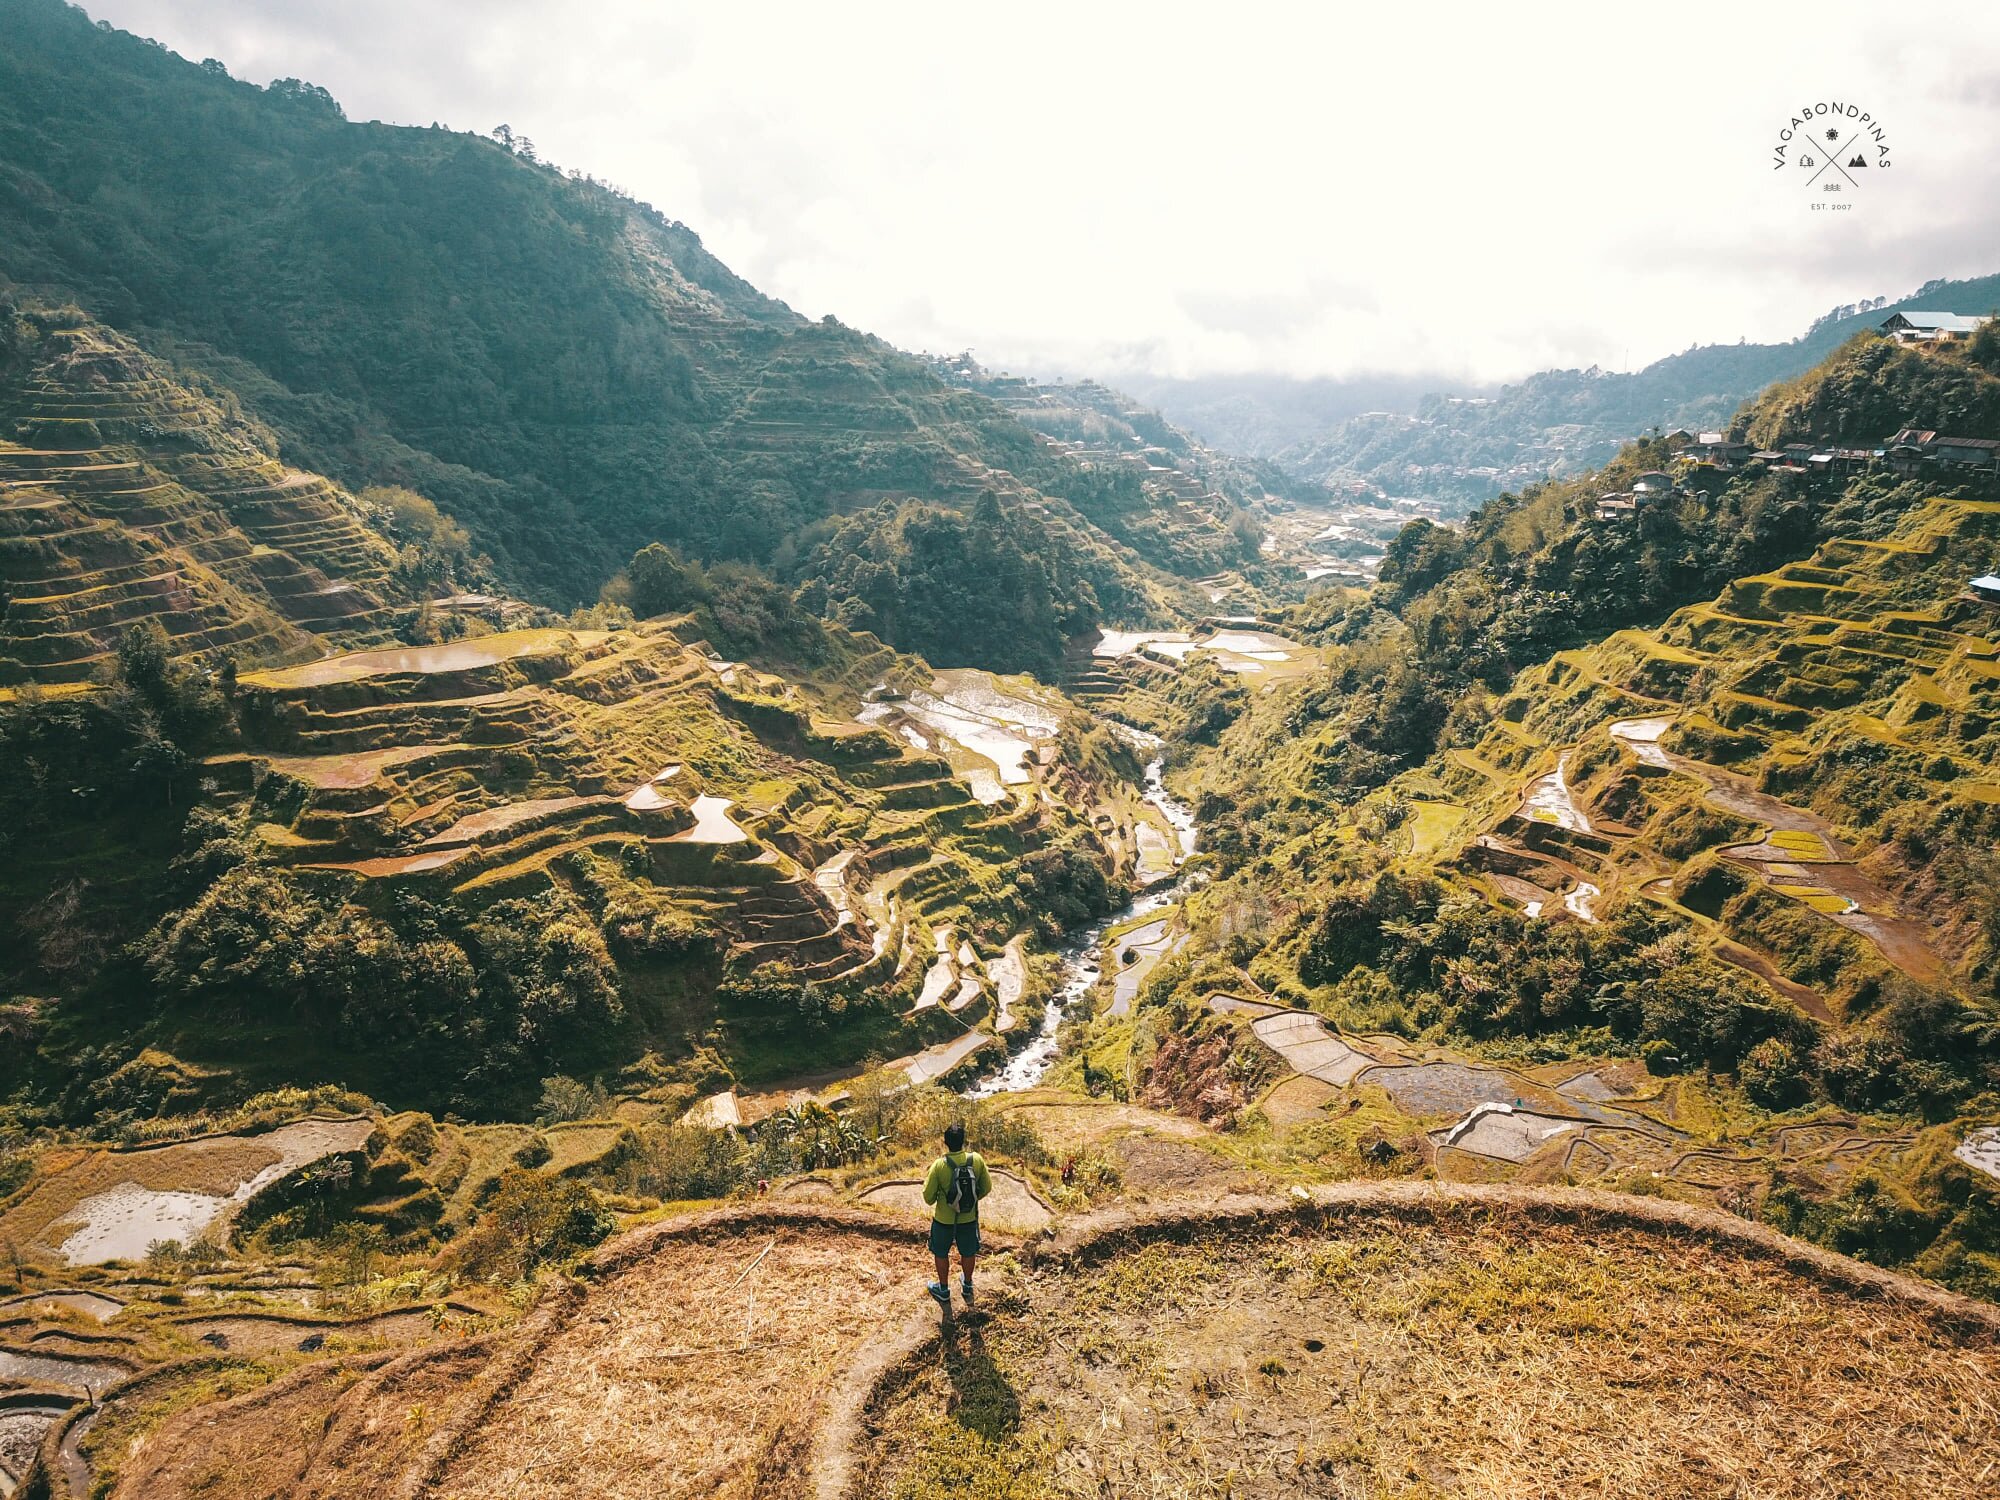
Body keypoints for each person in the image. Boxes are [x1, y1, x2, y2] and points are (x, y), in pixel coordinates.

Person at [921, 1121, 991, 1312]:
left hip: (943, 1220)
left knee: (941, 1252)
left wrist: (945, 1200)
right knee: (968, 1251)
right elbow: (987, 1187)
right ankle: (967, 1285)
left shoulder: (938, 1166)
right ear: (963, 1141)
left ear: (945, 1142)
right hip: (968, 1218)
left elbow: (928, 1198)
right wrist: (971, 1201)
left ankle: (943, 1289)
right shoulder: (976, 1160)